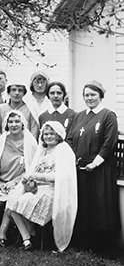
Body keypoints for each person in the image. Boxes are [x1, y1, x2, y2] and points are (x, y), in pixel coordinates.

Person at [7, 121, 77, 251]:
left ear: (58, 135)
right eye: (46, 134)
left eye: (52, 133)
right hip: (37, 188)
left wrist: (38, 176)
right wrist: (27, 179)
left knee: (23, 200)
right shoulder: (43, 151)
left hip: (54, 190)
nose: (48, 136)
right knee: (12, 200)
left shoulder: (63, 150)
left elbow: (63, 176)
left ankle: (32, 236)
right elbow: (34, 170)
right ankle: (28, 238)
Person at [66, 81, 120, 250]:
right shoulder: (79, 115)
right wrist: (72, 158)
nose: (89, 98)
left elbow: (109, 142)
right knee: (83, 204)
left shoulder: (108, 115)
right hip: (80, 168)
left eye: (93, 95)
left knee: (100, 205)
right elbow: (69, 139)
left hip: (100, 168)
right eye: (86, 95)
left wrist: (95, 163)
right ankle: (83, 243)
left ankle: (102, 246)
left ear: (101, 96)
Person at [0, 110, 37, 245]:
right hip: (1, 182)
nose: (13, 124)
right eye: (10, 122)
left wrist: (15, 182)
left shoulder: (29, 142)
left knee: (10, 202)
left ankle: (3, 234)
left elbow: (31, 168)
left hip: (20, 183)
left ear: (23, 123)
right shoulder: (1, 141)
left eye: (17, 121)